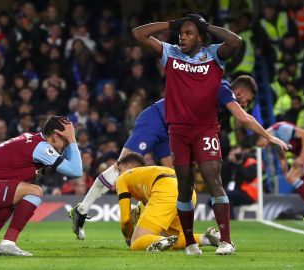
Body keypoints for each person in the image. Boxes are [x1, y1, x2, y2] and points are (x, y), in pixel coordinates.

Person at [131, 15, 288, 255]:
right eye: (181, 33)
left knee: (212, 177)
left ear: (200, 37)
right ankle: (190, 243)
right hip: (178, 130)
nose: (182, 36)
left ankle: (226, 240)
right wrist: (173, 24)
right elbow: (138, 33)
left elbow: (235, 42)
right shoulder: (170, 52)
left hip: (205, 129)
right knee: (183, 185)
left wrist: (205, 27)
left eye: (188, 33)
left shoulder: (214, 55)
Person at [69, 76, 288, 244]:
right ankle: (81, 210)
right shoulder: (223, 88)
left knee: (174, 181)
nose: (244, 105)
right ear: (240, 91)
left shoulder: (219, 99)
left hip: (173, 129)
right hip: (157, 117)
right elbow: (243, 117)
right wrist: (269, 137)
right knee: (123, 166)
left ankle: (145, 217)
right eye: (245, 101)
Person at [0, 116, 82, 256]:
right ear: (54, 136)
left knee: (17, 195)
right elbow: (76, 171)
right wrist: (72, 140)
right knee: (35, 191)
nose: (65, 146)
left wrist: (69, 138)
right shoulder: (42, 148)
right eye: (64, 141)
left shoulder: (33, 140)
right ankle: (8, 243)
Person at [113, 153, 221, 252]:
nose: (117, 174)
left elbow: (125, 219)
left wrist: (129, 237)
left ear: (130, 167)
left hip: (165, 190)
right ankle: (206, 239)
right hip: (188, 191)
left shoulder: (123, 178)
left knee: (136, 241)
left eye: (119, 169)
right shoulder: (148, 175)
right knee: (172, 236)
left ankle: (158, 240)